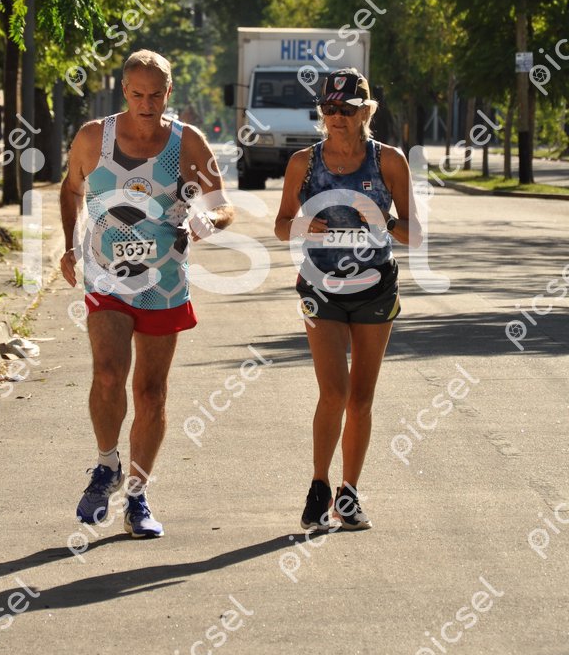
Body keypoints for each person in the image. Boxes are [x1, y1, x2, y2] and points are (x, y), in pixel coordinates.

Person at [59, 50, 234, 538]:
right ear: (124, 91)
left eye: (156, 95)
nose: (147, 104)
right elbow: (71, 190)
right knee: (108, 373)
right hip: (107, 277)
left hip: (164, 281)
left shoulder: (188, 142)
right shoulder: (94, 137)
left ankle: (137, 495)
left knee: (151, 392)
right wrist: (70, 245)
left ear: (168, 92)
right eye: (137, 94)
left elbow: (223, 205)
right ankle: (106, 465)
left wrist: (211, 220)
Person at [274, 68, 421, 534]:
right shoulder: (303, 162)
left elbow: (414, 234)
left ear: (366, 111)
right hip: (321, 287)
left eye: (348, 109)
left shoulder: (388, 161)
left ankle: (349, 492)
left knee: (360, 398)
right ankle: (319, 486)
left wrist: (383, 220)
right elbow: (281, 224)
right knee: (333, 392)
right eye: (329, 108)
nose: (337, 117)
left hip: (375, 288)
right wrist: (303, 226)